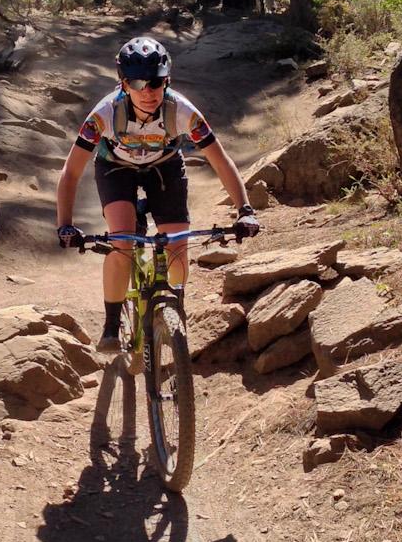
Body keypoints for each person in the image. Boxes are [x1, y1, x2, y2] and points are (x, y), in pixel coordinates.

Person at [55, 35, 259, 352]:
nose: (148, 91)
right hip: (115, 168)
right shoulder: (104, 115)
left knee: (177, 245)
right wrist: (65, 223)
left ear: (168, 80)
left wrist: (244, 208)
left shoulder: (182, 111)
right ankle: (111, 325)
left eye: (156, 82)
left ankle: (174, 304)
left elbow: (219, 160)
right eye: (138, 83)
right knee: (122, 241)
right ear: (123, 84)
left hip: (165, 167)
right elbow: (71, 172)